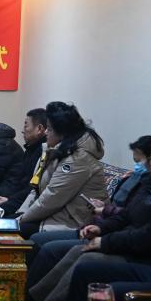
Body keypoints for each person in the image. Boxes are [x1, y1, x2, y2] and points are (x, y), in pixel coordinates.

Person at [28, 132, 151, 301]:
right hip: (120, 239)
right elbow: (126, 215)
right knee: (75, 250)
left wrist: (104, 241)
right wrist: (101, 228)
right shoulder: (148, 183)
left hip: (143, 255)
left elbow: (149, 236)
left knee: (87, 261)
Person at [16, 102, 108, 238]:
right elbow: (35, 189)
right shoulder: (54, 151)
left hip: (74, 222)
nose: (46, 132)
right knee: (8, 224)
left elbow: (52, 197)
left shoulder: (77, 159)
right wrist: (20, 214)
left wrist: (21, 220)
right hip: (54, 214)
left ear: (62, 133)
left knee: (15, 229)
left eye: (49, 129)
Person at [0, 109, 47, 216]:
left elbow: (32, 188)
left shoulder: (43, 153)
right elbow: (20, 182)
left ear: (39, 129)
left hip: (29, 206)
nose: (23, 131)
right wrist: (9, 198)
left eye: (26, 126)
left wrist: (9, 201)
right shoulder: (31, 149)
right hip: (17, 197)